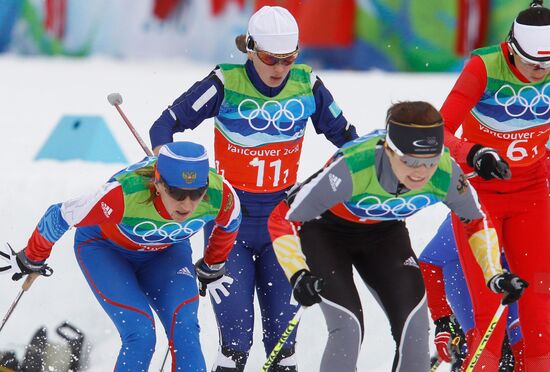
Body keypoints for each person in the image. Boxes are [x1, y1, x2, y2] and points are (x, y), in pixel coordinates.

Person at [148, 6, 357, 371]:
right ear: (250, 49)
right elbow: (164, 126)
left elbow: (349, 142)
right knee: (235, 344)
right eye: (270, 58)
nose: (279, 69)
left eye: (289, 59)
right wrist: (167, 171)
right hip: (229, 225)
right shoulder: (224, 83)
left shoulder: (307, 84)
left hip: (284, 226)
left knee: (283, 346)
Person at [267, 101, 527, 372]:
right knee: (348, 328)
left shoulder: (445, 172)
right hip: (324, 233)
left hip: (383, 234)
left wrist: (494, 273)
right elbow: (283, 217)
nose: (421, 172)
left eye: (430, 161)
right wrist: (298, 273)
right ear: (389, 151)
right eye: (410, 161)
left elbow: (476, 221)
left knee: (414, 331)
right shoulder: (354, 166)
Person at [0, 142, 242, 372]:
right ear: (158, 183)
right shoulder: (123, 195)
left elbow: (231, 223)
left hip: (166, 253)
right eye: (177, 193)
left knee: (185, 329)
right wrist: (32, 256)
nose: (187, 205)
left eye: (196, 193)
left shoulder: (219, 194)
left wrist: (213, 264)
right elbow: (60, 215)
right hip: (106, 251)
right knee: (141, 333)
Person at [440, 0, 550, 368]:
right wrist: (473, 154)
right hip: (478, 197)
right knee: (490, 304)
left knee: (539, 301)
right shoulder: (485, 66)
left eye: (547, 65)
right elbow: (436, 132)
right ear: (512, 48)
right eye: (532, 63)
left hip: (532, 194)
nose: (539, 72)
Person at [418, 213, 523, 371]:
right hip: (462, 269)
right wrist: (443, 320)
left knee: (526, 344)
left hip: (509, 266)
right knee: (487, 348)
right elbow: (429, 262)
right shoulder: (469, 220)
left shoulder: (536, 210)